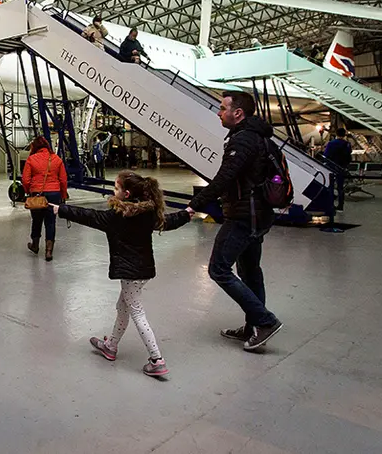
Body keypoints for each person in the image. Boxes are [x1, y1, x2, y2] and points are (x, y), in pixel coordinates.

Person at [54, 172, 191, 377]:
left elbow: (89, 216)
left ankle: (156, 359)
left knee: (136, 311)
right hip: (143, 270)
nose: (113, 191)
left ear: (126, 194)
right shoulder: (148, 212)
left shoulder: (117, 216)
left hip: (130, 273)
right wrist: (185, 214)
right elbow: (168, 222)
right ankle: (110, 346)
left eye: (116, 188)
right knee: (123, 306)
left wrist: (61, 209)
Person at [185, 91, 284, 352]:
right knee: (251, 271)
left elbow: (224, 177)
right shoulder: (261, 138)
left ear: (237, 113)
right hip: (259, 215)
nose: (218, 113)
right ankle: (253, 327)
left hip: (244, 215)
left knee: (218, 269)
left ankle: (264, 321)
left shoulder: (243, 140)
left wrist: (194, 204)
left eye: (222, 108)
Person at [21, 136, 68, 261]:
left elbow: (25, 180)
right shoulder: (57, 159)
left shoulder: (31, 159)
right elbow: (63, 180)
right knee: (51, 222)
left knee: (36, 220)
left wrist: (28, 191)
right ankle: (48, 251)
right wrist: (63, 195)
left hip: (37, 194)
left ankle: (35, 245)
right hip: (54, 194)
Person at [323, 128, 352, 211]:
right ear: (344, 134)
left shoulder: (331, 143)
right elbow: (349, 155)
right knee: (340, 187)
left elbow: (326, 155)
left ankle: (331, 204)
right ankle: (341, 205)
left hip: (332, 167)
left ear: (336, 134)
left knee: (330, 186)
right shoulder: (347, 144)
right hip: (342, 167)